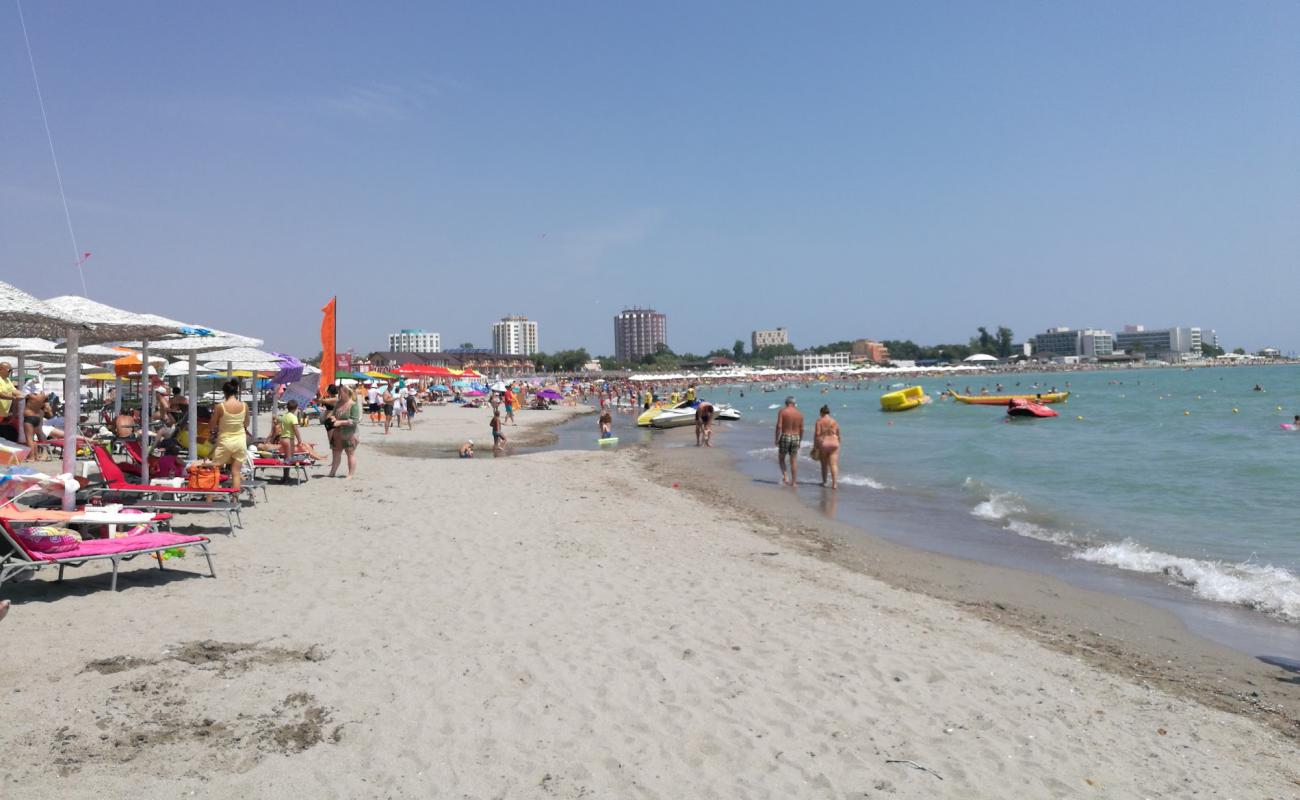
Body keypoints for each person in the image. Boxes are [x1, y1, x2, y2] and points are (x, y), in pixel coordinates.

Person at [209, 381, 249, 492]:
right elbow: (246, 424)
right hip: (240, 441)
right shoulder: (244, 406)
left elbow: (211, 425)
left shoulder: (220, 407)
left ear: (224, 392)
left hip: (225, 442)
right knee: (236, 472)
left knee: (215, 471)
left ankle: (209, 499)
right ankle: (235, 499)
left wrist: (217, 425)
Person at [329, 385, 361, 478]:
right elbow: (334, 414)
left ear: (347, 392)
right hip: (337, 434)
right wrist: (333, 418)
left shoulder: (353, 405)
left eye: (341, 392)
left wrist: (340, 422)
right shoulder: (338, 403)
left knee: (350, 453)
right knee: (336, 453)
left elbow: (355, 421)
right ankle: (332, 472)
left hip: (350, 434)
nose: (339, 394)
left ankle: (350, 475)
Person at [774, 396, 804, 486]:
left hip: (786, 436)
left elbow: (779, 426)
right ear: (794, 403)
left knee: (781, 458)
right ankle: (794, 482)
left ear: (786, 403)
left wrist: (776, 438)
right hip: (796, 437)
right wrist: (800, 441)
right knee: (793, 460)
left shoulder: (783, 411)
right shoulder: (800, 413)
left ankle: (786, 476)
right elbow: (802, 429)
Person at [813, 405, 841, 489]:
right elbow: (838, 433)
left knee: (824, 464)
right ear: (828, 412)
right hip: (834, 443)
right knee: (834, 464)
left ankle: (824, 482)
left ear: (821, 413)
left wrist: (815, 446)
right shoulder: (834, 421)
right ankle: (834, 484)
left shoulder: (819, 421)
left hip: (824, 443)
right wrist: (839, 442)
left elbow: (817, 434)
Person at [0, 362, 22, 441]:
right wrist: (14, 398)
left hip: (3, 413)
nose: (11, 372)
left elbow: (14, 390)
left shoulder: (7, 380)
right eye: (9, 370)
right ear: (0, 369)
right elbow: (0, 394)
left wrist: (24, 394)